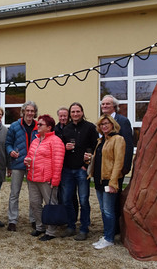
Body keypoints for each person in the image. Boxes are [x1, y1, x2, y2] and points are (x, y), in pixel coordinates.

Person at [85, 114, 125, 249]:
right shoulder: (101, 141)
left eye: (107, 123)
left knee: (109, 211)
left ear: (113, 124)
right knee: (103, 210)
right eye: (102, 124)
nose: (104, 126)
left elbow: (118, 162)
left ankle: (109, 238)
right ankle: (107, 235)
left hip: (109, 180)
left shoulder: (118, 139)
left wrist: (113, 182)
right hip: (99, 180)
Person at [59, 102, 98, 241]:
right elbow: (60, 148)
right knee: (67, 199)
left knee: (83, 200)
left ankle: (84, 228)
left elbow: (95, 147)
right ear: (70, 114)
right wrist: (65, 147)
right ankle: (71, 226)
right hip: (68, 170)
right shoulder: (66, 129)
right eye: (73, 112)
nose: (75, 114)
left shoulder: (90, 127)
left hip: (82, 170)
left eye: (78, 111)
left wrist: (86, 165)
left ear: (82, 112)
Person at [24, 114, 65, 241]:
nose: (38, 126)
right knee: (35, 203)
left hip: (47, 179)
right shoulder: (35, 140)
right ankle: (40, 226)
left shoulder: (56, 141)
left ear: (49, 127)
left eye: (40, 124)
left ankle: (51, 231)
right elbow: (30, 156)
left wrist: (55, 179)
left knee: (50, 204)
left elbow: (58, 162)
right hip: (33, 177)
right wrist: (27, 161)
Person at [100, 95, 134, 234]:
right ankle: (110, 228)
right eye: (103, 104)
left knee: (113, 201)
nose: (105, 106)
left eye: (108, 104)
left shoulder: (123, 121)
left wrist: (125, 167)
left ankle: (116, 230)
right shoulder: (102, 122)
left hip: (116, 169)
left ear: (114, 106)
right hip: (103, 169)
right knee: (107, 202)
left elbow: (129, 145)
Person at [5, 101, 38, 231]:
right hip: (18, 163)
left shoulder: (39, 126)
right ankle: (12, 220)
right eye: (28, 110)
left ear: (35, 112)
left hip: (33, 164)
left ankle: (34, 219)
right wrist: (10, 151)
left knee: (34, 194)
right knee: (14, 193)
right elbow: (8, 143)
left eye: (32, 111)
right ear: (23, 111)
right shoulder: (14, 126)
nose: (30, 113)